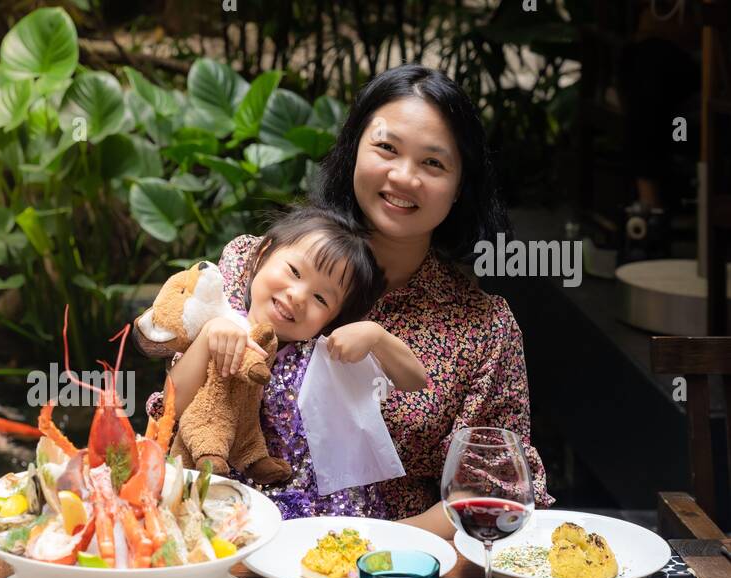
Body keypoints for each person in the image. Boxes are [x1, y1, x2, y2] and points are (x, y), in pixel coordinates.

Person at [144, 65, 554, 537]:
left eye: (433, 163)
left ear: (461, 185)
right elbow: (169, 420)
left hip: (395, 566)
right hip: (231, 541)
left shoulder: (484, 328)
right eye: (387, 148)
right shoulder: (258, 266)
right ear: (355, 147)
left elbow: (494, 490)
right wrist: (211, 340)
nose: (404, 177)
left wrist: (368, 552)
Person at [142, 205, 428, 519]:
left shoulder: (325, 356)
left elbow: (414, 380)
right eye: (294, 272)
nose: (298, 296)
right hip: (223, 508)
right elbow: (168, 410)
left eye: (321, 298)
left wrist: (377, 336)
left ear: (332, 319)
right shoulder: (218, 326)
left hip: (315, 517)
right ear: (263, 253)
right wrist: (209, 337)